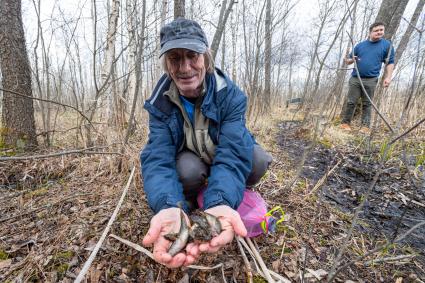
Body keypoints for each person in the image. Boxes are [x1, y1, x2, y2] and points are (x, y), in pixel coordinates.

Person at [140, 18, 272, 268]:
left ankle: (223, 192)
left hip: (221, 155)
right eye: (175, 59)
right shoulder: (160, 103)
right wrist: (168, 205)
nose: (185, 67)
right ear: (167, 64)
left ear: (206, 57)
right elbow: (157, 158)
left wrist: (220, 201)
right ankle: (189, 201)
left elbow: (233, 152)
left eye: (192, 56)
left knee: (257, 160)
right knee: (186, 172)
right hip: (194, 161)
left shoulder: (230, 96)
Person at [340, 22, 395, 133]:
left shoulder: (387, 45)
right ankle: (345, 123)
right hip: (356, 78)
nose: (379, 32)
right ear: (370, 32)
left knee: (367, 103)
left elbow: (390, 62)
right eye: (376, 30)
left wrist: (388, 77)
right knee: (351, 101)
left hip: (371, 79)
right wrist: (351, 59)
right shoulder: (360, 45)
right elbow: (348, 61)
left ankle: (365, 127)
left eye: (381, 30)